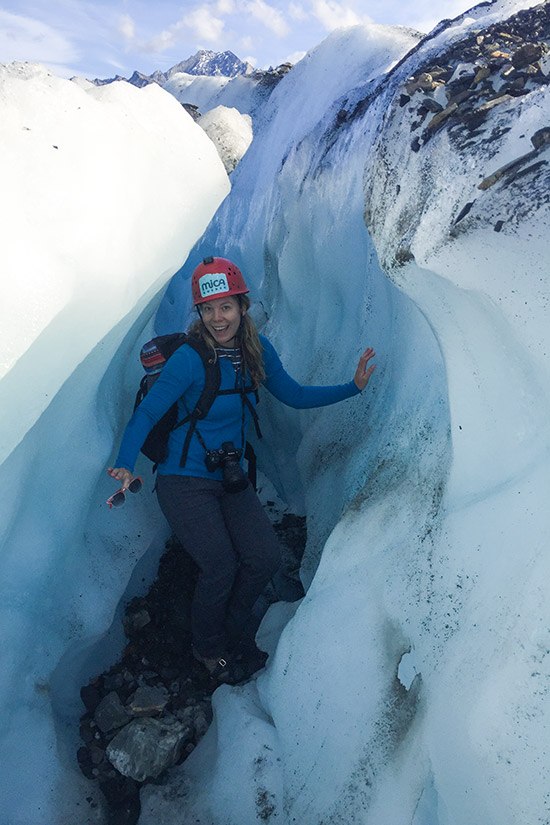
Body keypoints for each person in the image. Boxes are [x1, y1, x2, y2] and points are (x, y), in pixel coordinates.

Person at [108, 256, 376, 682]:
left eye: (226, 307)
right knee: (220, 565)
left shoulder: (256, 350)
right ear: (198, 312)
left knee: (264, 557)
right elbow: (146, 416)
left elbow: (296, 395)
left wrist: (353, 387)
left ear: (242, 306)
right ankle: (207, 648)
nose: (218, 318)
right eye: (208, 309)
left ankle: (232, 629)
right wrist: (124, 465)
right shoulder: (189, 360)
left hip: (228, 474)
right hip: (183, 480)